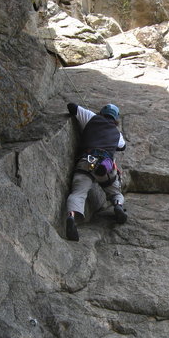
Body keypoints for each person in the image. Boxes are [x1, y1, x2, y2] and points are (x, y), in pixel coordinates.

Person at [65, 102, 128, 241]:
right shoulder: (118, 134)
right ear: (116, 118)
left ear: (102, 113)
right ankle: (118, 205)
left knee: (78, 193)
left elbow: (71, 106)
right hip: (106, 166)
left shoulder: (91, 117)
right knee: (115, 192)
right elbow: (122, 147)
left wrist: (90, 114)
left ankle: (71, 217)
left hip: (87, 161)